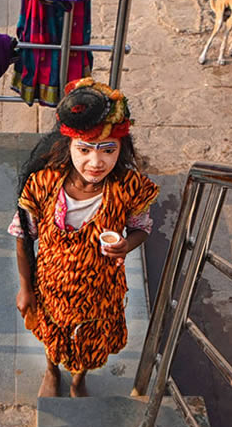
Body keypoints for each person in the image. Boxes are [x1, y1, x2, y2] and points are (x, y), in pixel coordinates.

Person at [10, 78, 159, 398]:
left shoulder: (128, 188)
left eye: (108, 150)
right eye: (84, 150)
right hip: (51, 289)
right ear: (68, 146)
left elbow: (141, 227)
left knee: (90, 344)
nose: (96, 162)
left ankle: (78, 379)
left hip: (101, 294)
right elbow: (23, 238)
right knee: (52, 335)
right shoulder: (44, 184)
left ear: (122, 148)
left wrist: (126, 244)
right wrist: (25, 288)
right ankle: (52, 372)